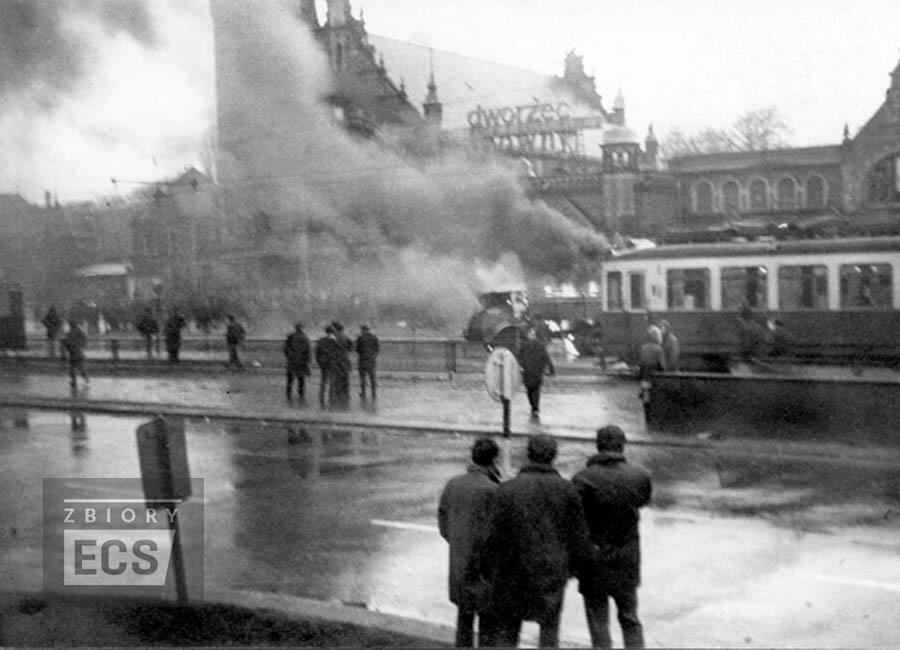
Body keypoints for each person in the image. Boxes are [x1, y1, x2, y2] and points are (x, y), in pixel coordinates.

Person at [480, 434, 596, 648]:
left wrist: (489, 570)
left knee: (507, 631)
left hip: (512, 573)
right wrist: (575, 569)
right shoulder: (567, 490)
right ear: (553, 456)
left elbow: (492, 536)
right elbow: (578, 536)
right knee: (549, 632)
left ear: (528, 454)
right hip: (551, 574)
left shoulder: (507, 490)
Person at [572, 425, 652, 649]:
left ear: (598, 446)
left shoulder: (582, 479)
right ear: (622, 445)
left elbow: (574, 517)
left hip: (594, 558)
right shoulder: (640, 475)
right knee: (629, 617)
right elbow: (643, 501)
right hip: (627, 557)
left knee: (598, 619)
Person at [438, 437, 502, 647]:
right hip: (486, 569)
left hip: (460, 562)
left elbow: (444, 522)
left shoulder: (453, 484)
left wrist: (458, 541)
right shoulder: (493, 490)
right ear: (493, 460)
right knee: (488, 623)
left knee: (464, 619)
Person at [517, 327, 556, 422]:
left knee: (535, 391)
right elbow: (519, 357)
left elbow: (546, 357)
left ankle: (535, 408)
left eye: (533, 334)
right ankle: (533, 406)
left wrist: (551, 369)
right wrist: (520, 366)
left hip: (536, 371)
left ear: (535, 336)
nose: (531, 336)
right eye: (530, 334)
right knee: (530, 391)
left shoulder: (539, 346)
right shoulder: (525, 346)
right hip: (528, 372)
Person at [637, 326, 666, 424]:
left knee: (646, 399)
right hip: (654, 379)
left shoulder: (643, 348)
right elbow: (662, 366)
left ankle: (647, 419)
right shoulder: (658, 349)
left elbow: (641, 363)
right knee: (656, 399)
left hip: (645, 378)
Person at [283, 322, 311, 402]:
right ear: (301, 328)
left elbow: (286, 349)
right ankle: (301, 394)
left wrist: (289, 357)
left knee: (290, 379)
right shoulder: (304, 337)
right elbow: (307, 351)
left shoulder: (290, 337)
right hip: (301, 361)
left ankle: (288, 394)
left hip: (292, 361)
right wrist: (307, 361)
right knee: (301, 379)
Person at [330, 321, 352, 409]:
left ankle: (338, 395)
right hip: (345, 359)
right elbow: (350, 347)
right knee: (345, 378)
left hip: (336, 360)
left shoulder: (334, 337)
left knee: (337, 379)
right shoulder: (346, 336)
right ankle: (346, 394)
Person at [314, 325, 338, 409]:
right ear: (333, 332)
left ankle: (322, 396)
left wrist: (319, 362)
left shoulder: (321, 340)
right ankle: (331, 398)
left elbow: (317, 352)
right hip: (332, 363)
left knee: (323, 381)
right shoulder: (334, 341)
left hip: (323, 363)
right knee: (332, 381)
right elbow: (337, 354)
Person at [355, 324, 380, 401]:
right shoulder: (374, 338)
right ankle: (374, 393)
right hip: (371, 360)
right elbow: (377, 349)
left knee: (362, 378)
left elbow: (357, 349)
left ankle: (363, 392)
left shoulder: (360, 338)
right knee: (372, 377)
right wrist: (373, 355)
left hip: (362, 360)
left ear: (363, 330)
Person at [61, 320, 89, 389]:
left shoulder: (70, 333)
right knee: (81, 367)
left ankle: (74, 382)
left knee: (72, 368)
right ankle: (86, 379)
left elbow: (68, 343)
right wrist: (83, 347)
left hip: (73, 353)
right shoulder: (80, 331)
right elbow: (85, 339)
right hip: (79, 352)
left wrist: (65, 351)